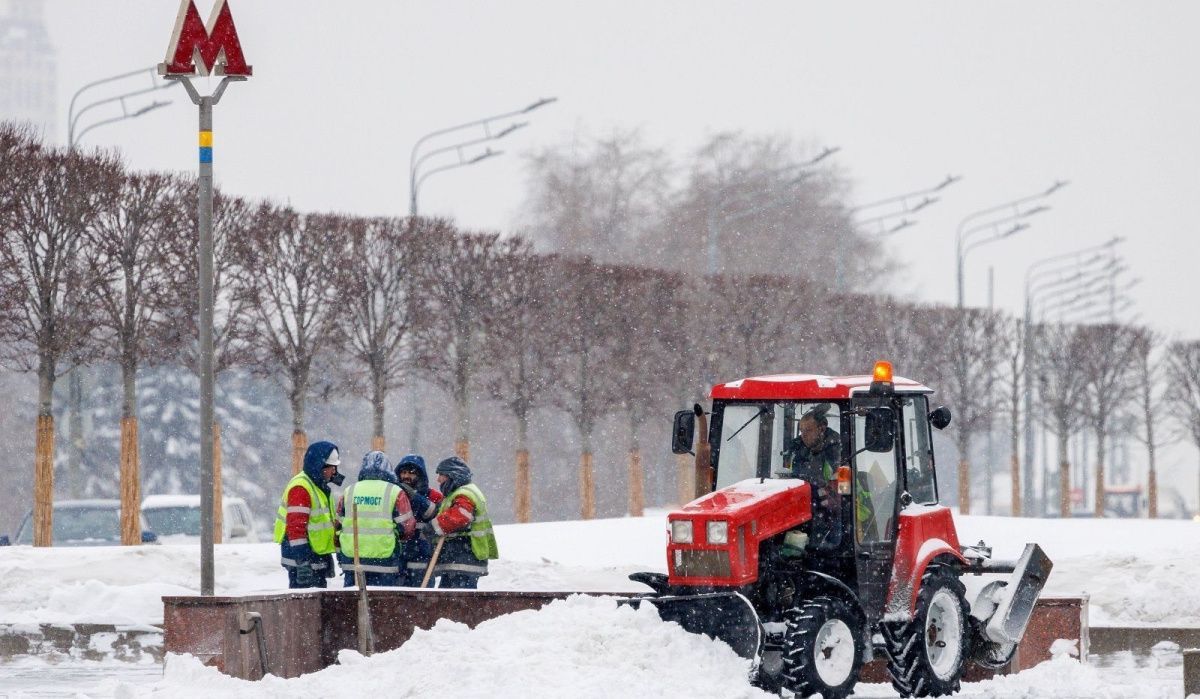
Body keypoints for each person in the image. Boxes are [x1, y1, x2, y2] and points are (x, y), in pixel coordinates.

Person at [335, 451, 425, 587]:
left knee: (352, 603)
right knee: (382, 604)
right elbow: (407, 527)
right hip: (385, 560)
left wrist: (340, 551)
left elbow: (337, 525)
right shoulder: (395, 491)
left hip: (353, 559)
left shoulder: (349, 491)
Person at [273, 441, 344, 588]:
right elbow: (296, 529)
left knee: (315, 606)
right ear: (320, 466)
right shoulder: (301, 488)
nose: (334, 472)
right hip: (303, 561)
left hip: (314, 557)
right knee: (306, 606)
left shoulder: (319, 487)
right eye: (331, 467)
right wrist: (302, 562)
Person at [428, 457, 498, 589]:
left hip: (463, 558)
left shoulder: (464, 494)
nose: (438, 480)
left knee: (457, 602)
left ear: (452, 475)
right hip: (460, 559)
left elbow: (461, 516)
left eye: (441, 475)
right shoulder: (460, 493)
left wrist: (433, 527)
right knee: (448, 601)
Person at [787, 406, 845, 550]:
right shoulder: (799, 450)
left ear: (822, 429)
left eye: (808, 430)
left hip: (833, 511)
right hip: (805, 507)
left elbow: (829, 481)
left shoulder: (838, 451)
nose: (803, 435)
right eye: (801, 431)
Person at [394, 454, 442, 587]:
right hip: (398, 559)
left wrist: (415, 497)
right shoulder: (393, 495)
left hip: (423, 559)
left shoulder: (434, 496)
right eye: (403, 472)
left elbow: (435, 514)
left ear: (420, 476)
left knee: (422, 603)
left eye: (411, 473)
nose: (406, 476)